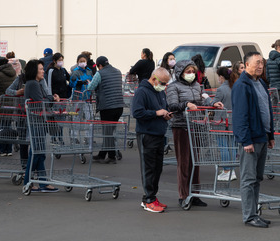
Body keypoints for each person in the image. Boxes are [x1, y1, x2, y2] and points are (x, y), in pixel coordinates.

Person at [166, 60, 223, 207]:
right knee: (184, 162)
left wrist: (212, 104)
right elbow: (172, 105)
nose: (191, 74)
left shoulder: (198, 86)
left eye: (193, 72)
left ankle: (195, 194)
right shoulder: (174, 87)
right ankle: (184, 195)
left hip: (196, 126)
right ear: (180, 72)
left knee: (195, 162)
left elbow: (203, 101)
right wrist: (186, 104)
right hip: (181, 126)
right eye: (188, 72)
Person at [232, 51, 274, 228]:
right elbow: (240, 116)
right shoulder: (242, 85)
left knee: (256, 178)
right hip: (251, 139)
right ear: (246, 64)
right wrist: (245, 140)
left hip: (262, 137)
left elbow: (267, 109)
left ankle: (254, 212)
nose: (260, 66)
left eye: (262, 63)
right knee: (248, 179)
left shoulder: (260, 83)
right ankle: (249, 216)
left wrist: (270, 134)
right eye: (256, 63)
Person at [131, 67, 173, 213]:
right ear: (154, 78)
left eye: (166, 84)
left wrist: (166, 113)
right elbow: (136, 112)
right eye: (163, 82)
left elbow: (164, 107)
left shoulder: (160, 91)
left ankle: (151, 196)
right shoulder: (142, 91)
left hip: (159, 133)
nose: (164, 86)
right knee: (148, 168)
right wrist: (156, 113)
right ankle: (148, 199)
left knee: (157, 168)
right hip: (146, 133)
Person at [22, 59, 59, 192]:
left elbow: (42, 99)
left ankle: (40, 182)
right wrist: (52, 99)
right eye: (41, 69)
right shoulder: (33, 84)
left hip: (38, 120)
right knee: (36, 153)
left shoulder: (35, 83)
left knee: (39, 153)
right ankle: (30, 182)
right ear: (34, 71)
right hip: (36, 121)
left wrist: (50, 99)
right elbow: (40, 101)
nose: (43, 71)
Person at [87, 56, 124, 163]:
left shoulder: (100, 73)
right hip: (119, 106)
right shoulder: (118, 72)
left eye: (98, 66)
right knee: (109, 132)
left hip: (107, 107)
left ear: (100, 65)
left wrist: (89, 83)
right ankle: (102, 154)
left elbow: (91, 87)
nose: (98, 68)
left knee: (107, 133)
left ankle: (112, 157)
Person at [215, 65, 237, 182]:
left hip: (222, 121)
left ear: (221, 77)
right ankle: (231, 170)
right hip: (233, 120)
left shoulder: (221, 89)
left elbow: (214, 103)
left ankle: (226, 170)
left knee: (223, 146)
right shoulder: (235, 87)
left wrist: (206, 98)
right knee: (232, 146)